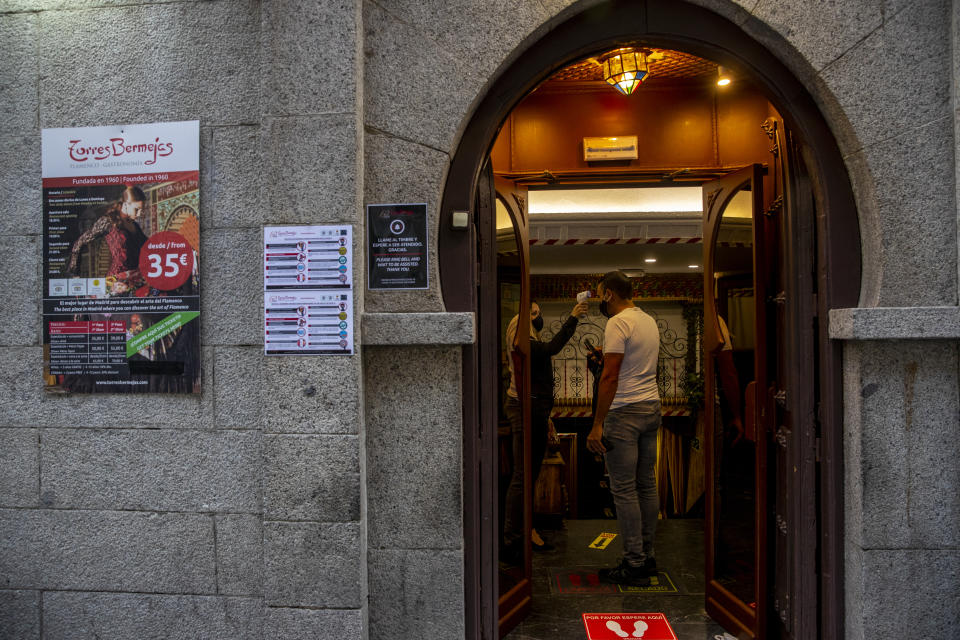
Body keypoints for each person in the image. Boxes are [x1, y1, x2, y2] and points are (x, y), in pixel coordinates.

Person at [586, 270, 662, 586]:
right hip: (651, 407)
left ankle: (633, 564)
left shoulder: (616, 322)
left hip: (624, 412)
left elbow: (611, 377)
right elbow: (632, 362)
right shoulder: (647, 320)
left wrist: (598, 424)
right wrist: (606, 358)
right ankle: (647, 556)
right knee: (646, 484)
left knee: (624, 489)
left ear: (609, 294)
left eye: (600, 293)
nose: (599, 299)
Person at [503, 299, 588, 562]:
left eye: (539, 313)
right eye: (534, 313)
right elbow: (552, 347)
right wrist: (573, 317)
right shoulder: (520, 329)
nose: (538, 317)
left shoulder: (524, 330)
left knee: (527, 474)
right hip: (525, 407)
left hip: (534, 407)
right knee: (523, 475)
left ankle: (523, 531)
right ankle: (513, 538)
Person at [67, 185, 148, 295]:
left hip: (134, 281)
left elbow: (148, 246)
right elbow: (79, 242)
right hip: (116, 283)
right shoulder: (108, 221)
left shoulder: (135, 226)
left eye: (142, 210)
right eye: (136, 209)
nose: (139, 214)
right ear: (125, 204)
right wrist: (75, 274)